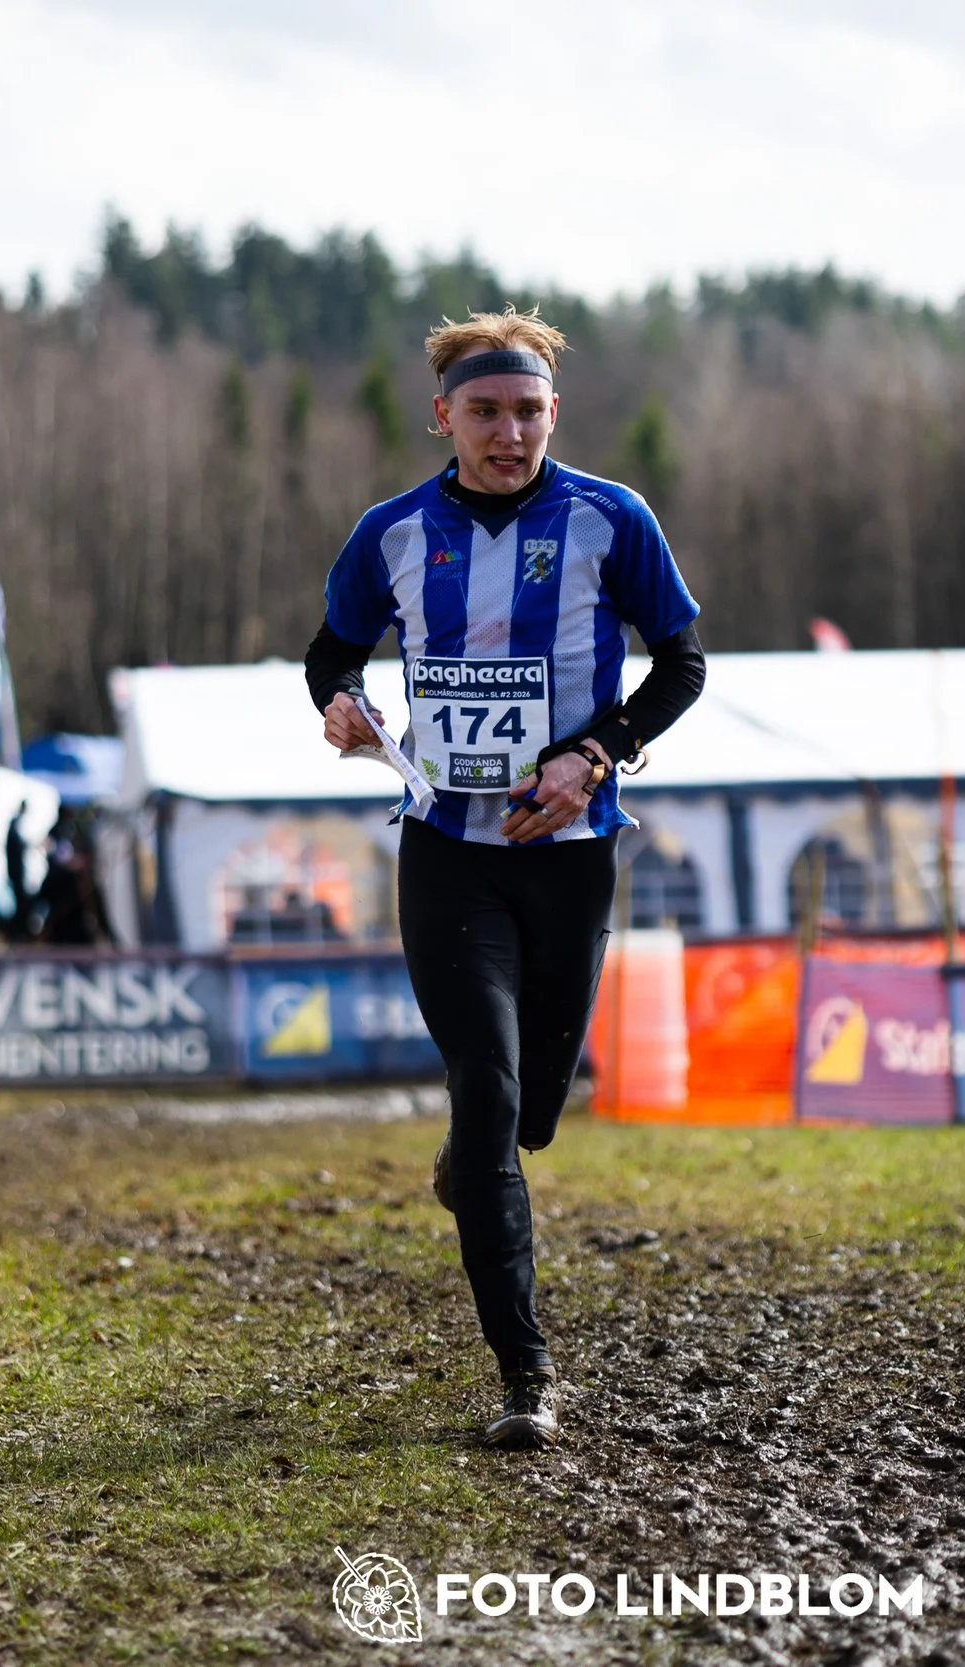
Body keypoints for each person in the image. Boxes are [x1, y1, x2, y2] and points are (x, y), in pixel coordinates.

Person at [303, 308, 705, 1449]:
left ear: (552, 416)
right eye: (484, 411)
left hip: (568, 853)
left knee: (530, 1112)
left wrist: (596, 752)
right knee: (483, 1085)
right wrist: (339, 702)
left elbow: (682, 660)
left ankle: (473, 1163)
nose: (507, 431)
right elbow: (330, 649)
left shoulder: (609, 518)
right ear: (444, 417)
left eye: (527, 411)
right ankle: (525, 1370)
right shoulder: (391, 532)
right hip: (445, 846)